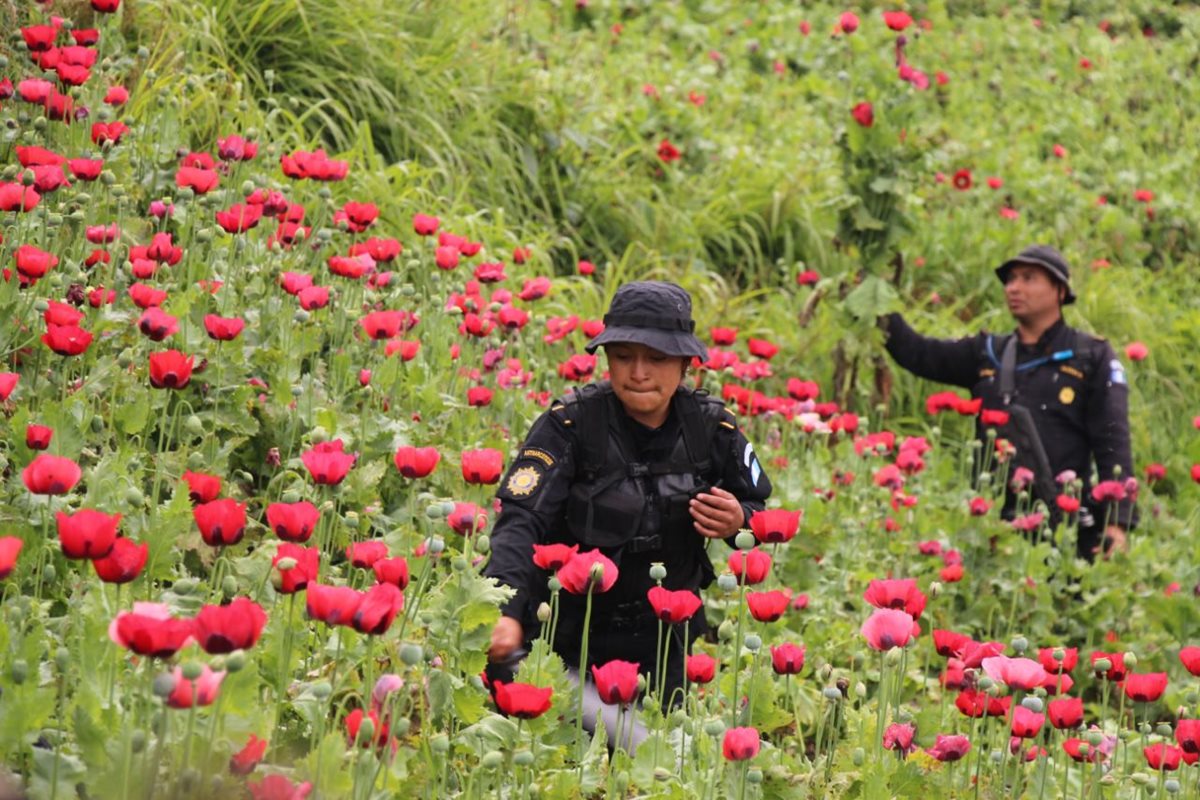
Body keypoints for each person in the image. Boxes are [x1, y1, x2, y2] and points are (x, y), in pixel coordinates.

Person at [484, 280, 772, 741]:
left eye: (656, 359)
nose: (638, 372)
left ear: (685, 363)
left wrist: (741, 520)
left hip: (662, 646)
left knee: (656, 767)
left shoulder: (712, 428)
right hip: (566, 641)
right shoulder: (570, 426)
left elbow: (761, 510)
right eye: (623, 356)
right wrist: (506, 607)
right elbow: (522, 520)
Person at [881, 244, 1136, 559]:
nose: (1014, 287)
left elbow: (1113, 440)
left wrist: (1118, 521)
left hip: (1064, 526)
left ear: (1059, 290)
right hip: (993, 526)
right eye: (1011, 279)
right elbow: (918, 353)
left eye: (1028, 278)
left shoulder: (1090, 357)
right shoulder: (987, 352)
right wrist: (874, 293)